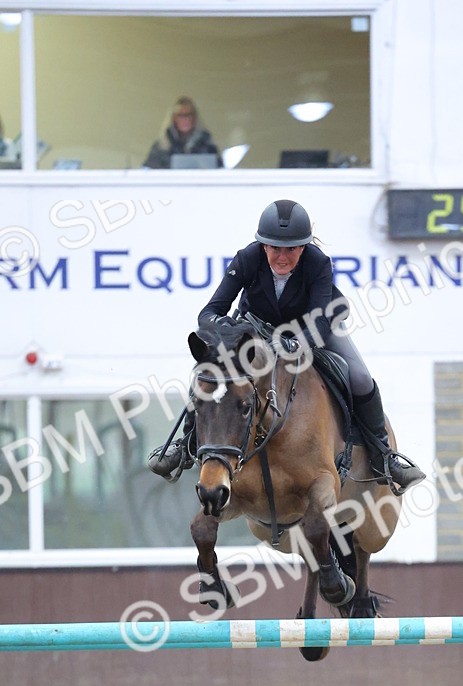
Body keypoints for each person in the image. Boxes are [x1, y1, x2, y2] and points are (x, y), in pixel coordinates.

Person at [149, 198, 424, 492]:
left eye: (291, 249)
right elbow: (209, 313)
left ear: (303, 247)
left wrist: (296, 343)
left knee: (359, 377)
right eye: (274, 248)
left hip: (314, 326)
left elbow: (320, 320)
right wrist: (224, 328)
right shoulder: (247, 258)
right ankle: (184, 445)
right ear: (263, 246)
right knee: (210, 371)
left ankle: (384, 456)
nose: (282, 257)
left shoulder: (318, 263)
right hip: (257, 327)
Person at [142, 97, 220, 169]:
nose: (185, 119)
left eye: (189, 115)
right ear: (174, 118)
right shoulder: (162, 146)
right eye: (180, 115)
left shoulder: (207, 145)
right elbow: (149, 170)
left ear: (195, 118)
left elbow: (219, 170)